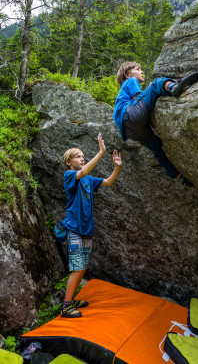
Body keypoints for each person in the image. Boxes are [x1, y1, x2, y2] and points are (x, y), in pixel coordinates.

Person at [60, 133, 122, 318]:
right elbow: (83, 172)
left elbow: (109, 182)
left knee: (83, 266)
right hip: (75, 229)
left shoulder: (89, 179)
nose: (82, 158)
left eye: (82, 156)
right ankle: (66, 306)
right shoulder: (70, 175)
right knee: (77, 267)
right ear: (69, 163)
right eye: (78, 156)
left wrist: (117, 168)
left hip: (87, 229)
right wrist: (101, 151)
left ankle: (72, 298)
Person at [113, 61, 198, 186]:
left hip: (129, 130)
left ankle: (178, 175)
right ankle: (173, 86)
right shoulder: (130, 81)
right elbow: (138, 98)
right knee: (155, 84)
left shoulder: (124, 91)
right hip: (131, 115)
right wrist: (151, 88)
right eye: (138, 69)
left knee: (156, 146)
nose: (141, 71)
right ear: (128, 74)